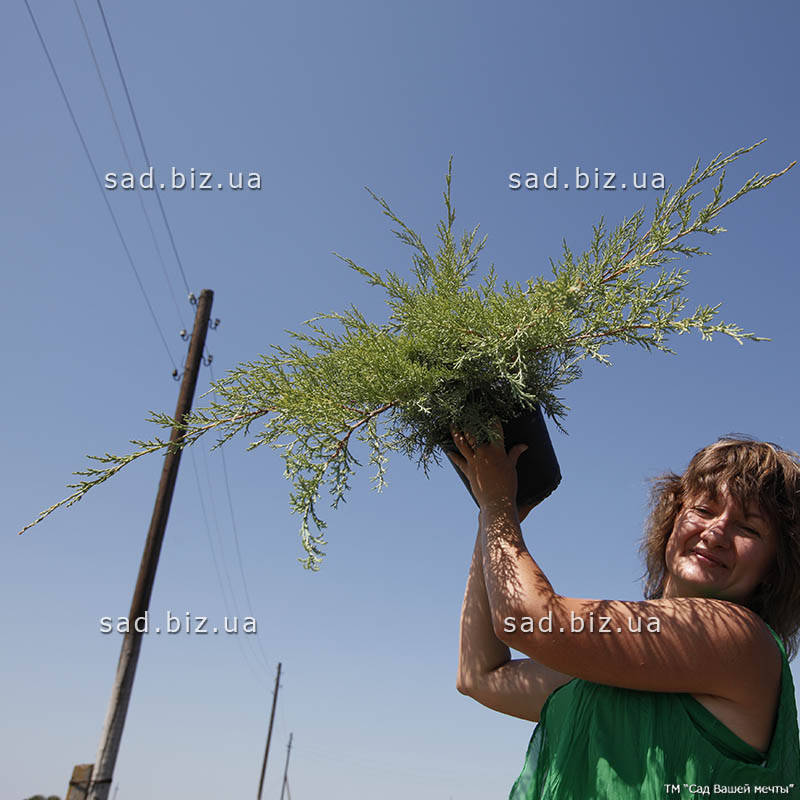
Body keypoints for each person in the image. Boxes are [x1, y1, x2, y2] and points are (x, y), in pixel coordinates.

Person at [449, 432, 800, 798]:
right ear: (673, 518)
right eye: (703, 510)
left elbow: (527, 620)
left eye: (748, 528)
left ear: (776, 566)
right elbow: (480, 676)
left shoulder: (739, 637)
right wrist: (494, 518)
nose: (717, 533)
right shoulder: (620, 665)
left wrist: (498, 506)